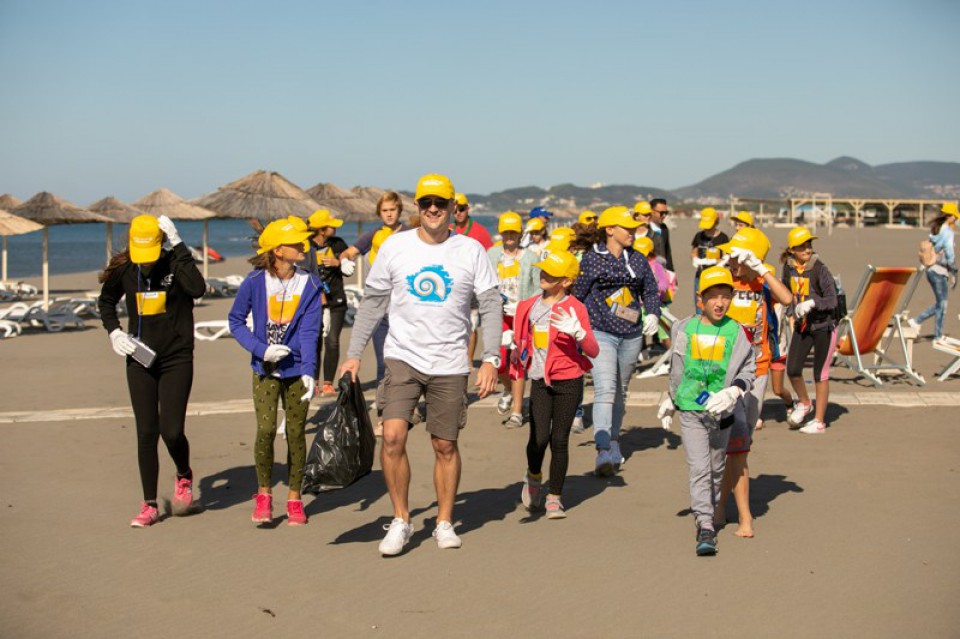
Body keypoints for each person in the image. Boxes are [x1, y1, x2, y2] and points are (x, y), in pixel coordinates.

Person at [340, 173, 502, 556]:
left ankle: (444, 522)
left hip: (450, 362)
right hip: (402, 357)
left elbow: (491, 303)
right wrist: (353, 353)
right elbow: (373, 302)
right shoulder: (395, 247)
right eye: (426, 202)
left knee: (444, 444)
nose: (432, 209)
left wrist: (491, 357)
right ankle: (401, 519)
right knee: (393, 436)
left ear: (453, 208)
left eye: (440, 203)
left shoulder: (470, 250)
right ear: (417, 206)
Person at [98, 214, 205, 527]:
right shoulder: (125, 268)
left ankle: (184, 474)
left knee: (171, 431)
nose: (145, 262)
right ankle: (149, 504)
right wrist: (114, 332)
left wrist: (179, 245)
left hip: (176, 358)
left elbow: (197, 288)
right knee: (146, 432)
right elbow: (106, 301)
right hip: (139, 358)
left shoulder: (175, 262)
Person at [229, 218, 322, 526]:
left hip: (297, 372)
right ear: (278, 250)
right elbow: (236, 321)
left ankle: (294, 498)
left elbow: (310, 331)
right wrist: (260, 349)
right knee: (266, 430)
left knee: (296, 433)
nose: (303, 246)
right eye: (296, 243)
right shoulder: (254, 282)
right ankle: (264, 494)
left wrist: (309, 370)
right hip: (264, 369)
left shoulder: (310, 284)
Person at [658, 266, 757, 556]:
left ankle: (711, 510)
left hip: (723, 412)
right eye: (713, 296)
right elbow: (677, 368)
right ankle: (705, 525)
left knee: (716, 468)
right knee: (699, 468)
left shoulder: (736, 331)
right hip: (691, 409)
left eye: (726, 296)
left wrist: (734, 391)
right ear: (700, 298)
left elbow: (749, 369)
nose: (720, 303)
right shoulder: (683, 328)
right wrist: (671, 400)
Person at [714, 228, 792, 537]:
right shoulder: (725, 279)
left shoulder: (762, 280)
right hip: (723, 371)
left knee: (740, 446)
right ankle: (732, 510)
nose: (733, 262)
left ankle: (727, 508)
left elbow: (787, 298)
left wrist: (759, 268)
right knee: (728, 445)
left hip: (757, 370)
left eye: (737, 257)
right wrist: (724, 266)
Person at [573, 205, 660, 475]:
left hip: (632, 334)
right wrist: (574, 329)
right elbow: (577, 295)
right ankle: (602, 450)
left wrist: (653, 313)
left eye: (634, 228)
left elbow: (650, 290)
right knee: (605, 389)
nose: (633, 232)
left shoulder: (638, 259)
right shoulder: (591, 259)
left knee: (621, 391)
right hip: (600, 332)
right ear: (610, 230)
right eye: (627, 228)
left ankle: (613, 441)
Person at [512, 250, 599, 519]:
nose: (544, 274)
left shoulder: (576, 308)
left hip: (569, 380)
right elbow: (522, 341)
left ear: (566, 281)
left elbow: (593, 350)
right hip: (540, 381)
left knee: (559, 440)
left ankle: (554, 497)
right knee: (538, 439)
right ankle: (534, 475)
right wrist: (514, 343)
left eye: (551, 273)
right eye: (543, 270)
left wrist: (580, 334)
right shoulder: (528, 306)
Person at [339, 191, 409, 382]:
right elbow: (348, 252)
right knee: (382, 360)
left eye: (392, 209)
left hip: (404, 307)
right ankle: (382, 397)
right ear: (379, 213)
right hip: (379, 306)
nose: (389, 214)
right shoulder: (373, 235)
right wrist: (345, 261)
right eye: (385, 210)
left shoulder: (410, 235)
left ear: (399, 210)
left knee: (406, 361)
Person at [782, 226, 838, 435]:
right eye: (802, 246)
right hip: (803, 325)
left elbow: (832, 300)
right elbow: (786, 292)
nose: (807, 249)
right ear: (792, 250)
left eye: (809, 245)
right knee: (793, 369)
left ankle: (819, 421)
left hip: (824, 326)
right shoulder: (788, 268)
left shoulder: (819, 269)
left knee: (819, 374)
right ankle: (805, 403)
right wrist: (791, 310)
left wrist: (813, 303)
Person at [487, 211, 540, 428]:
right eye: (506, 232)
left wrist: (526, 307)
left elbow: (538, 287)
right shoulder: (492, 254)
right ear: (500, 233)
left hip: (521, 316)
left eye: (513, 232)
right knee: (498, 362)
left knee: (518, 362)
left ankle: (517, 412)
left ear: (520, 233)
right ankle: (508, 389)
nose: (509, 236)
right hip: (498, 315)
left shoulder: (531, 258)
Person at [304, 209, 350, 396]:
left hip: (337, 300)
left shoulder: (338, 243)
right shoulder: (306, 245)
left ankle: (329, 383)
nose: (335, 228)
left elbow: (348, 261)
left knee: (332, 341)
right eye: (331, 226)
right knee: (314, 341)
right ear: (321, 230)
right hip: (313, 302)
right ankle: (314, 382)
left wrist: (339, 262)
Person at [909, 202, 958, 343]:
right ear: (949, 216)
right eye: (955, 216)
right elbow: (949, 253)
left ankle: (920, 323)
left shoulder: (936, 228)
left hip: (931, 269)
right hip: (939, 271)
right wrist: (954, 270)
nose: (956, 219)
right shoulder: (947, 232)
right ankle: (934, 333)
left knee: (941, 303)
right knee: (942, 304)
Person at [690, 207, 730, 311]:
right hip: (701, 274)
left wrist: (720, 262)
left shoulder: (723, 238)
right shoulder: (698, 236)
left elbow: (726, 255)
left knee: (715, 304)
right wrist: (695, 259)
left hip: (716, 275)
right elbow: (694, 251)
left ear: (716, 222)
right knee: (700, 304)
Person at [650, 198, 674, 271]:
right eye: (661, 213)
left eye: (666, 213)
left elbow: (667, 252)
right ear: (651, 211)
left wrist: (671, 271)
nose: (664, 216)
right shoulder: (644, 228)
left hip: (661, 271)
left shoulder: (664, 228)